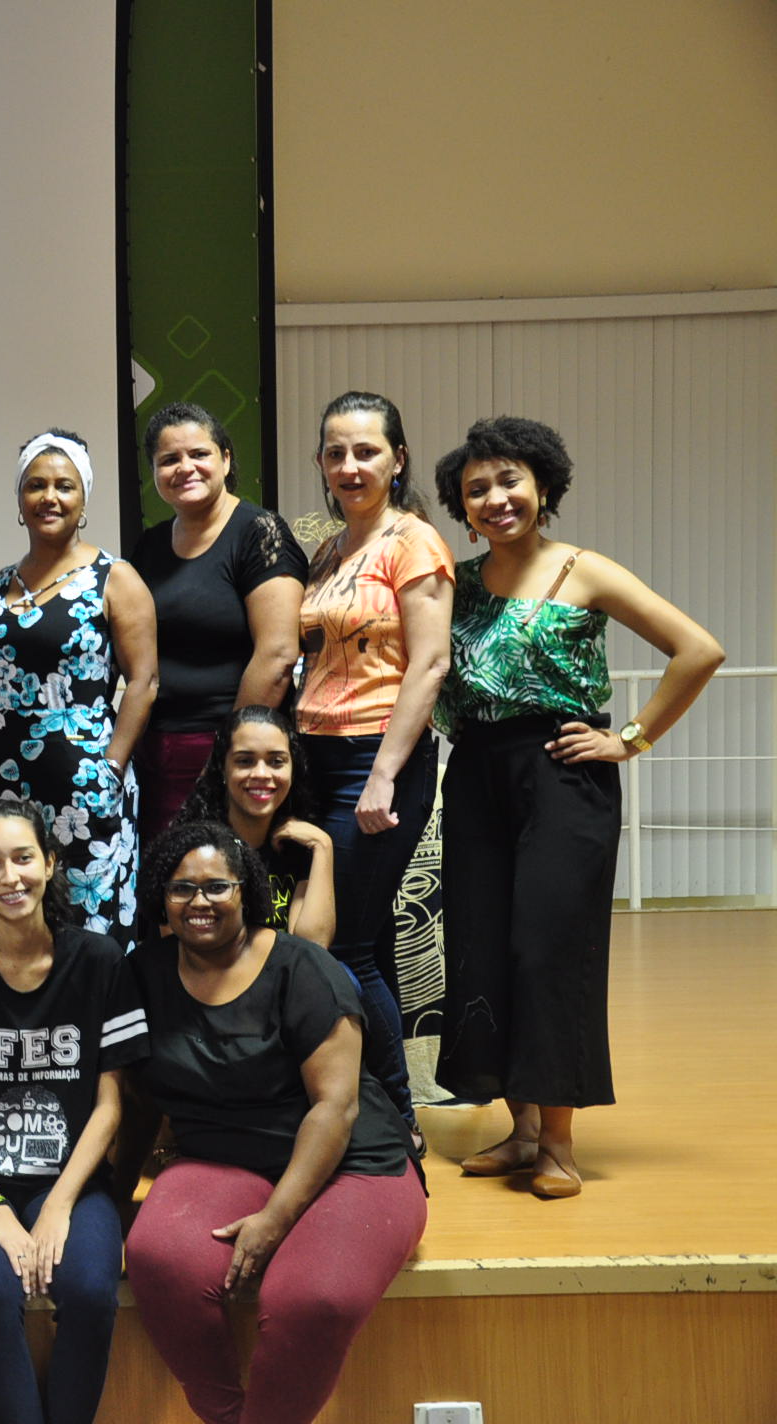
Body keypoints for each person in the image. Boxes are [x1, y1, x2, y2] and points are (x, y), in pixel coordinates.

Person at [431, 416, 723, 1198]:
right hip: (476, 772)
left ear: (543, 486)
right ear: (463, 509)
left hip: (563, 772)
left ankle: (558, 1140)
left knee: (547, 951)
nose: (495, 499)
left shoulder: (584, 570)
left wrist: (629, 738)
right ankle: (522, 1130)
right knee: (485, 947)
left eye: (509, 481)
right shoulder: (455, 583)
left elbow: (698, 650)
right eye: (477, 490)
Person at [120, 821, 426, 1424]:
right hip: (222, 1158)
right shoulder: (141, 973)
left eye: (217, 886)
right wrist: (109, 1200)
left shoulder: (302, 967)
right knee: (158, 1259)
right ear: (160, 895)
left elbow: (335, 1107)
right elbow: (137, 1100)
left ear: (248, 890)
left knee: (312, 1297)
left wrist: (275, 1218)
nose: (199, 901)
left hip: (353, 1160)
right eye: (181, 888)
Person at [0, 797, 147, 1424]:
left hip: (69, 1179)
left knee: (90, 1292)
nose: (9, 877)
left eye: (23, 858)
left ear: (50, 862)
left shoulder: (100, 960)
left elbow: (109, 1106)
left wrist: (60, 1205)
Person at [296, 390, 451, 1133]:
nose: (350, 466)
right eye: (336, 453)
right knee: (367, 936)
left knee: (345, 942)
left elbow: (430, 663)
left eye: (366, 451)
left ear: (398, 458)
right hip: (316, 755)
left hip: (375, 755)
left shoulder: (413, 541)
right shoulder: (331, 549)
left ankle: (397, 1114)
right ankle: (377, 1101)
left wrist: (385, 773)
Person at [0, 429, 158, 939]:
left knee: (85, 922)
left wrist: (110, 769)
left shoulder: (115, 578)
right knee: (0, 918)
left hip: (82, 780)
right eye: (36, 485)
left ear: (83, 500)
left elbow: (144, 681)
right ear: (19, 500)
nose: (49, 497)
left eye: (64, 486)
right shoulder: (0, 582)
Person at [129, 404, 307, 838]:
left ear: (226, 460)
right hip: (155, 753)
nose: (184, 467)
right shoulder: (149, 546)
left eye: (199, 454)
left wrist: (229, 752)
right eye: (169, 459)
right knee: (165, 875)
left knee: (224, 873)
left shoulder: (259, 532)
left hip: (236, 756)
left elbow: (278, 655)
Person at [174, 705, 335, 948]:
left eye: (276, 762)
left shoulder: (301, 844)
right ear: (223, 768)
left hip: (283, 968)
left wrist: (323, 847)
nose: (261, 773)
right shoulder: (194, 849)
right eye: (245, 761)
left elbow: (314, 947)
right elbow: (185, 949)